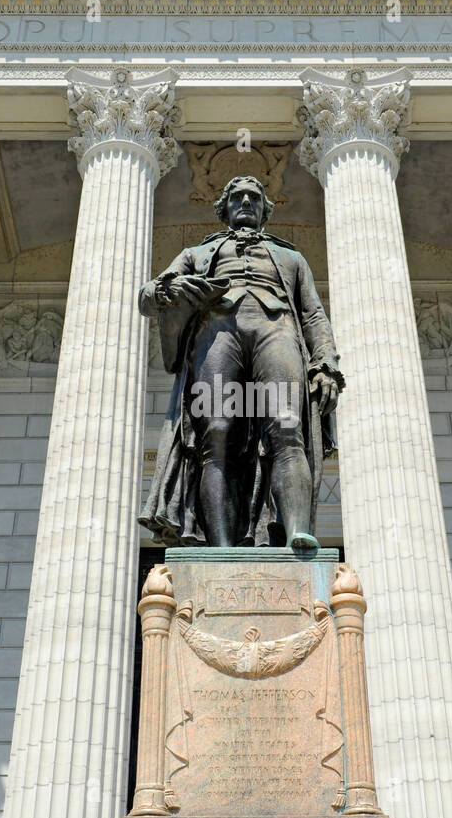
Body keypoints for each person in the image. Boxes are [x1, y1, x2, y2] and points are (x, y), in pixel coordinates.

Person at [138, 175, 344, 549]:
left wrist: (326, 363)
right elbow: (147, 297)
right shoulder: (196, 255)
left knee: (286, 428)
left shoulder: (291, 258)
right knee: (215, 434)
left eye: (254, 197)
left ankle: (298, 531)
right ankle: (221, 548)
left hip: (276, 328)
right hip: (216, 333)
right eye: (237, 197)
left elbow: (313, 315)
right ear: (225, 209)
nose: (245, 202)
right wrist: (172, 287)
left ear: (265, 208)